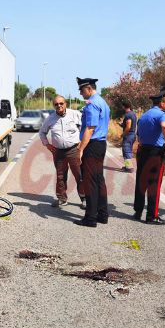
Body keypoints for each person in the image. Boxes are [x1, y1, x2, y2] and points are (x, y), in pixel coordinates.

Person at [74, 77, 110, 228]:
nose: (81, 94)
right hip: (100, 144)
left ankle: (90, 218)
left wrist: (81, 149)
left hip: (92, 145)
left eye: (82, 90)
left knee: (90, 183)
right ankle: (102, 214)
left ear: (89, 88)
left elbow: (90, 128)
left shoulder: (91, 104)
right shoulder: (102, 102)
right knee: (99, 180)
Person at [134, 90, 165, 225]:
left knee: (141, 181)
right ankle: (152, 216)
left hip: (143, 150)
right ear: (161, 102)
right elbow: (164, 127)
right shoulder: (161, 115)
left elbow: (138, 134)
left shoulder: (145, 115)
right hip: (155, 152)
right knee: (154, 184)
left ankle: (138, 211)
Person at [39, 95, 85, 209]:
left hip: (74, 150)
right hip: (58, 152)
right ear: (53, 106)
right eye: (56, 104)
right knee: (60, 176)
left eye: (61, 103)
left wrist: (82, 142)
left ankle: (84, 198)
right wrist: (48, 145)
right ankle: (62, 199)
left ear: (65, 104)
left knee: (79, 175)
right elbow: (42, 133)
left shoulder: (75, 114)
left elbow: (86, 127)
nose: (59, 106)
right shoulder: (50, 119)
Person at [120, 101, 137, 172]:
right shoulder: (133, 114)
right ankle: (127, 166)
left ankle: (129, 168)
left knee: (126, 151)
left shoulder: (128, 115)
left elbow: (128, 127)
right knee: (128, 150)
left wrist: (123, 134)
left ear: (124, 106)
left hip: (128, 135)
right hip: (132, 134)